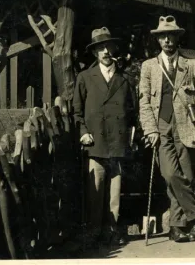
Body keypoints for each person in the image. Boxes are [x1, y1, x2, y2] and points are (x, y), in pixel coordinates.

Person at [73, 27, 136, 246]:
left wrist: (131, 136)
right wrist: (83, 133)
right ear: (95, 53)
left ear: (114, 49)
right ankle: (94, 232)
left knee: (115, 192)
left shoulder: (125, 80)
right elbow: (77, 111)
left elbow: (133, 112)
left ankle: (112, 230)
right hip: (95, 142)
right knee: (95, 190)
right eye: (101, 48)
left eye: (109, 47)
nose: (106, 52)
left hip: (117, 143)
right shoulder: (85, 78)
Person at [139, 15, 195, 243]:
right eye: (163, 36)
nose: (168, 40)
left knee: (188, 177)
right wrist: (150, 130)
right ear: (158, 40)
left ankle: (178, 227)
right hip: (161, 127)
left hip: (186, 125)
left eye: (171, 36)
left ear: (177, 38)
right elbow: (144, 102)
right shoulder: (149, 66)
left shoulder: (190, 64)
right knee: (170, 174)